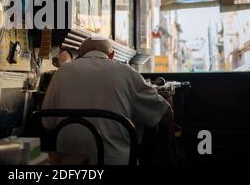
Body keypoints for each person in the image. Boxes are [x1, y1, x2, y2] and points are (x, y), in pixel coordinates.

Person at [42, 37, 174, 165]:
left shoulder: (62, 72)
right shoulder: (127, 72)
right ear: (112, 56)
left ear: (81, 54)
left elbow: (47, 124)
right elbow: (166, 116)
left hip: (69, 163)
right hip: (115, 161)